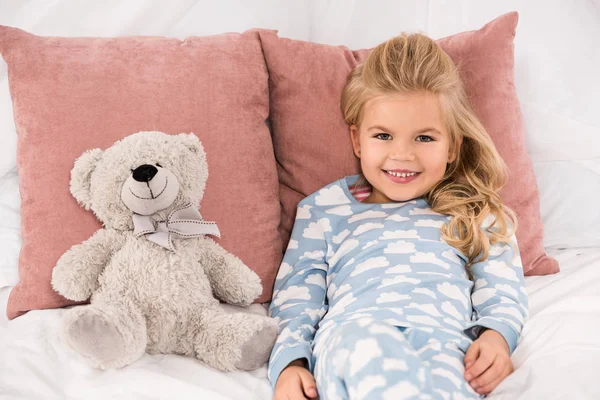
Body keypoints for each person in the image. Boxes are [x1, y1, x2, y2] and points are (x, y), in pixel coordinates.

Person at [268, 32, 529, 400]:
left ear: (453, 145)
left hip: (444, 343)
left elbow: (504, 288)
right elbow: (296, 300)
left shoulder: (472, 210)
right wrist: (290, 365)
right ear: (358, 140)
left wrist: (497, 336)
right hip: (352, 336)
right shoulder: (324, 209)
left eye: (424, 138)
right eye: (384, 136)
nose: (402, 155)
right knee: (368, 346)